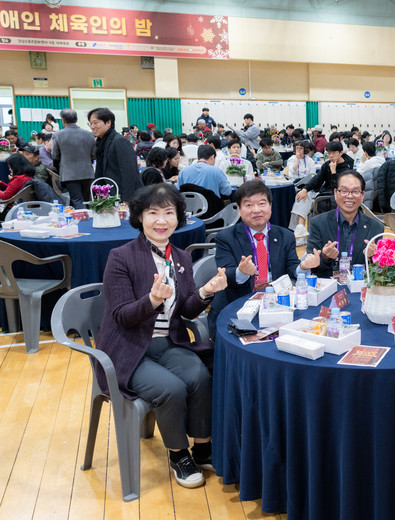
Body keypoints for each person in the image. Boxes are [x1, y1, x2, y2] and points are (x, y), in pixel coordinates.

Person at [96, 184, 227, 489]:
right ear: (139, 217)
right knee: (171, 388)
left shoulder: (179, 257)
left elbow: (186, 309)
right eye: (153, 213)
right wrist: (152, 301)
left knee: (201, 376)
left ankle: (202, 447)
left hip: (168, 342)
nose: (161, 220)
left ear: (178, 218)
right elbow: (121, 316)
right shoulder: (121, 257)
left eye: (169, 213)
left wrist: (205, 292)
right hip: (128, 349)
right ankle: (178, 454)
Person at [209, 180, 321, 337]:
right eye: (249, 205)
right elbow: (225, 274)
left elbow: (292, 267)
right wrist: (241, 272)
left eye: (262, 204)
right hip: (236, 307)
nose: (256, 210)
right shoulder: (225, 237)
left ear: (270, 206)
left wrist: (304, 267)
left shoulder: (285, 236)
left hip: (275, 305)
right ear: (239, 209)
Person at [307, 169, 384, 279]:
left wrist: (374, 257)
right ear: (335, 193)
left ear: (362, 195)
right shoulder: (318, 223)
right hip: (328, 285)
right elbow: (312, 267)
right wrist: (324, 257)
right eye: (344, 191)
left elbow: (380, 271)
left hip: (361, 285)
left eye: (355, 191)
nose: (349, 196)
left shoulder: (376, 227)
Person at [89, 107, 143, 202]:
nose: (92, 127)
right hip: (109, 195)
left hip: (122, 195)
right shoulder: (100, 142)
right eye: (90, 123)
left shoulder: (119, 141)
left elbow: (129, 172)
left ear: (108, 123)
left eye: (96, 123)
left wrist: (127, 200)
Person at [294, 141, 352, 223]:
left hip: (336, 195)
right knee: (301, 196)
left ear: (340, 153)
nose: (331, 156)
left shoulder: (347, 168)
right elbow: (318, 179)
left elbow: (338, 188)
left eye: (334, 153)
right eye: (329, 153)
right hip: (324, 192)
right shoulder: (327, 165)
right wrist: (305, 189)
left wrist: (333, 173)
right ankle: (300, 226)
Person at [52, 108, 96, 209]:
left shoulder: (58, 135)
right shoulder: (89, 134)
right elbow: (94, 154)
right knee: (87, 199)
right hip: (87, 172)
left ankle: (83, 217)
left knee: (76, 199)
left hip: (69, 174)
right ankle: (88, 216)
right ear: (76, 119)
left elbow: (55, 155)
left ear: (63, 120)